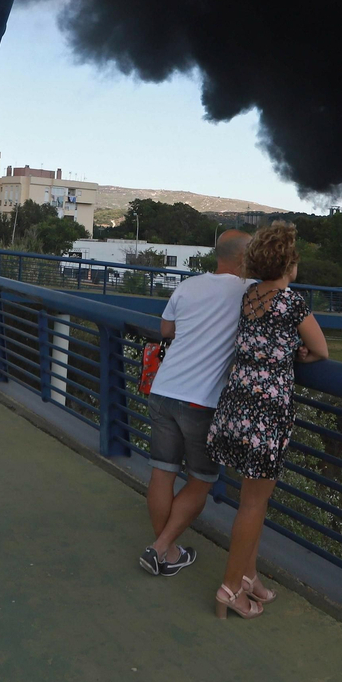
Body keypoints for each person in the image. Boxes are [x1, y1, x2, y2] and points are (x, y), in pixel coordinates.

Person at [205, 221, 329, 619]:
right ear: (289, 263)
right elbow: (321, 350)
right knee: (253, 506)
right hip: (266, 413)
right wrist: (299, 356)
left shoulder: (250, 298)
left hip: (236, 404)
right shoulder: (291, 303)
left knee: (248, 501)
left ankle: (249, 577)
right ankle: (229, 589)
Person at [138, 229, 252, 577]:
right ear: (244, 259)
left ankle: (169, 551)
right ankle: (160, 548)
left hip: (164, 389)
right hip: (201, 401)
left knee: (162, 472)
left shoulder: (188, 285)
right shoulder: (249, 291)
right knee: (201, 480)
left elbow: (166, 329)